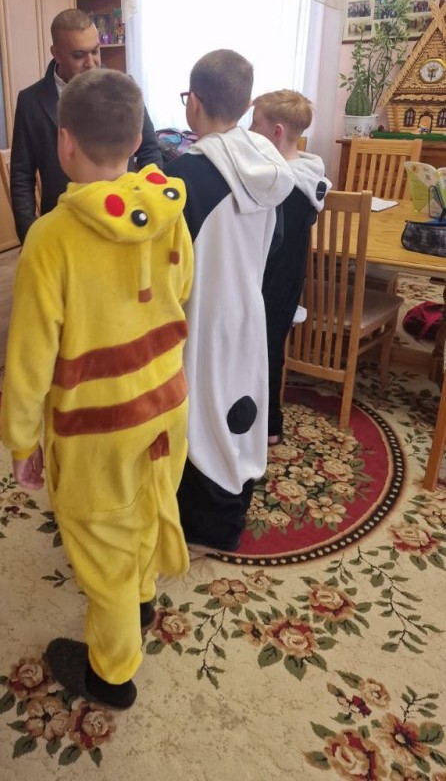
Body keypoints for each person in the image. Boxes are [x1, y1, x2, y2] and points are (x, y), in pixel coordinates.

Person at [0, 68, 193, 709]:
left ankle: (111, 675)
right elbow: (182, 289)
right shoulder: (168, 212)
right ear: (137, 140)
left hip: (96, 429)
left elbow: (30, 358)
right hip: (168, 404)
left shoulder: (50, 238)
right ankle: (142, 601)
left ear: (64, 143)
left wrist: (22, 440)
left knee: (102, 543)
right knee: (145, 505)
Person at [167, 50, 294, 553]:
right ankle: (232, 507)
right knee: (239, 407)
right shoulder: (269, 164)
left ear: (194, 103)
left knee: (201, 413)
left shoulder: (183, 176)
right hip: (248, 307)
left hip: (201, 315)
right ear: (244, 106)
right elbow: (277, 243)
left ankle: (203, 526)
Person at [9, 8, 162, 243]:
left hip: (125, 222)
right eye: (79, 55)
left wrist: (152, 204)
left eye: (95, 51)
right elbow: (21, 175)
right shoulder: (31, 101)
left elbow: (149, 149)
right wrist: (30, 236)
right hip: (62, 230)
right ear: (56, 54)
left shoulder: (123, 87)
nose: (91, 63)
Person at [249, 90, 330, 446]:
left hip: (273, 281)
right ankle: (267, 421)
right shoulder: (307, 173)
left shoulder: (284, 185)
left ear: (277, 132)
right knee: (269, 347)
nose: (250, 130)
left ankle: (269, 424)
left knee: (266, 350)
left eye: (255, 124)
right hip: (287, 279)